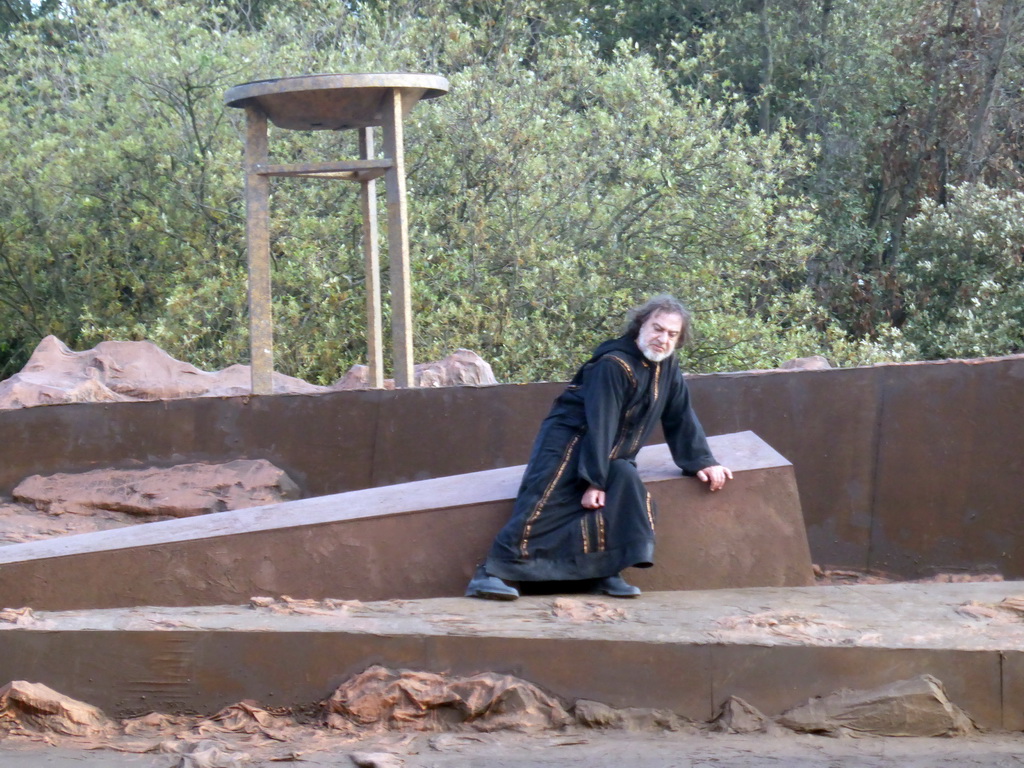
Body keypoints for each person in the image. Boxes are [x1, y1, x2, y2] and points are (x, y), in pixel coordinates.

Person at [466, 295, 732, 601]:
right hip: (570, 443)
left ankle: (601, 572)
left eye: (672, 334)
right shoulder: (613, 364)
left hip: (608, 452)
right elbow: (600, 421)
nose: (662, 339)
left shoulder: (667, 367)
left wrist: (702, 461)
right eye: (657, 329)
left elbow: (680, 416)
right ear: (640, 326)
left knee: (626, 492)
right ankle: (490, 573)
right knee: (545, 505)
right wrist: (594, 480)